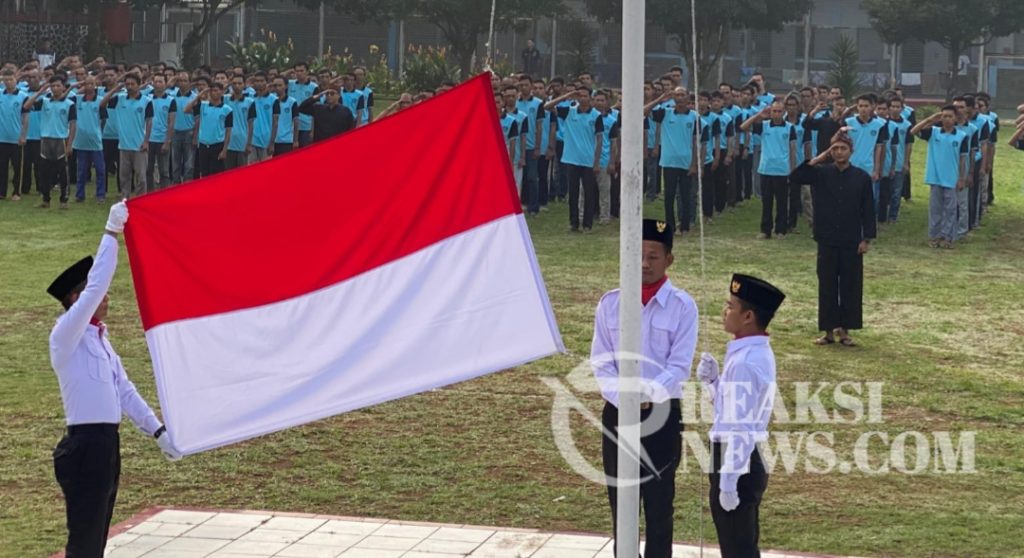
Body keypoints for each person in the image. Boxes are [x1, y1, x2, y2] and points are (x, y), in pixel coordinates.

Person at [48, 202, 181, 557]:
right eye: (97, 293)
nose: (106, 297)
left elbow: (125, 390)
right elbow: (96, 289)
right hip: (84, 445)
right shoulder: (65, 335)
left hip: (106, 444)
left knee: (97, 536)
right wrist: (110, 233)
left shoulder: (99, 339)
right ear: (76, 299)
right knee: (84, 539)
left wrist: (158, 432)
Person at [590, 219, 698, 558]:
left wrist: (646, 395)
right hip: (618, 414)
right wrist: (625, 397)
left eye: (653, 256)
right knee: (621, 503)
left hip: (661, 416)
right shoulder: (610, 303)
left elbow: (679, 367)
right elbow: (601, 363)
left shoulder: (683, 306)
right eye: (638, 255)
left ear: (669, 260)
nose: (644, 264)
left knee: (659, 504)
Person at [695, 274, 784, 558]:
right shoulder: (750, 351)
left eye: (730, 306)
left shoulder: (745, 361)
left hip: (736, 460)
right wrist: (714, 382)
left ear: (748, 316)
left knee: (738, 550)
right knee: (739, 547)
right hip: (740, 457)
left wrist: (728, 481)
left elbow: (741, 428)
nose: (725, 311)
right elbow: (732, 410)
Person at [791, 134, 876, 346]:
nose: (839, 152)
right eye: (835, 149)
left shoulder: (861, 177)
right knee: (827, 285)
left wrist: (866, 239)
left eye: (843, 149)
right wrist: (820, 158)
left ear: (851, 152)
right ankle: (828, 331)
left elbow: (868, 209)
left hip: (851, 239)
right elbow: (796, 176)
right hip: (827, 238)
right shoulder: (821, 173)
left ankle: (845, 331)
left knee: (850, 285)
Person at [545, 87, 603, 233]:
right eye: (580, 96)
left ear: (590, 98)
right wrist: (567, 95)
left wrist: (596, 162)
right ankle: (573, 223)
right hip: (571, 159)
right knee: (573, 193)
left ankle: (587, 224)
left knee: (589, 193)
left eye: (585, 96)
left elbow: (599, 139)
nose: (583, 99)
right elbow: (547, 106)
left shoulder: (596, 115)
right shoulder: (569, 111)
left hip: (588, 160)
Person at [911, 106, 969, 249]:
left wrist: (962, 178)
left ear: (955, 119)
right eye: (944, 116)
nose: (946, 119)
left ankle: (948, 237)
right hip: (935, 177)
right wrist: (929, 119)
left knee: (950, 210)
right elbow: (913, 131)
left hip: (952, 178)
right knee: (935, 209)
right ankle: (934, 236)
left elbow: (962, 159)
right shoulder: (933, 132)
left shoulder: (962, 136)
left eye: (950, 116)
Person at [740, 101, 797, 240]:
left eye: (779, 111)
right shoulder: (763, 126)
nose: (777, 114)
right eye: (774, 111)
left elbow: (792, 149)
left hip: (782, 169)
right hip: (766, 169)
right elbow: (743, 127)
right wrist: (758, 115)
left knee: (782, 202)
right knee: (767, 202)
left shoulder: (789, 128)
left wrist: (793, 169)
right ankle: (765, 230)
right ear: (770, 112)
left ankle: (781, 230)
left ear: (784, 112)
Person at [649, 88, 701, 235]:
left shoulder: (694, 116)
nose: (680, 98)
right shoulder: (665, 113)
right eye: (677, 95)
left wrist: (694, 164)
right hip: (669, 162)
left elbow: (696, 142)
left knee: (685, 195)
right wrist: (660, 99)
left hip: (686, 162)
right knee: (669, 196)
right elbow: (644, 111)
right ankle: (670, 226)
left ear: (688, 97)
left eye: (682, 95)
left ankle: (685, 226)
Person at [26, 76, 76, 208]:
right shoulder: (45, 101)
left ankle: (64, 200)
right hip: (45, 140)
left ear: (63, 87)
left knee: (63, 172)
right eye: (52, 86)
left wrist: (70, 144)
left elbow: (73, 125)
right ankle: (45, 199)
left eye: (58, 86)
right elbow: (27, 106)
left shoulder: (69, 104)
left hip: (61, 140)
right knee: (44, 171)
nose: (55, 88)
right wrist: (40, 92)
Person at [100, 74, 152, 197]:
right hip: (123, 145)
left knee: (141, 177)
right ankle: (125, 199)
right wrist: (115, 89)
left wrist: (146, 141)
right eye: (127, 84)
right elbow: (102, 104)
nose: (130, 86)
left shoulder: (146, 101)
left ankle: (140, 199)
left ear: (139, 85)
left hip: (139, 145)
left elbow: (149, 122)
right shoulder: (119, 99)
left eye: (132, 84)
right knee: (124, 176)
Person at [70, 75, 107, 202]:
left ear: (95, 85)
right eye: (87, 84)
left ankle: (100, 194)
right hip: (80, 141)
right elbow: (66, 95)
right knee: (81, 171)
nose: (89, 86)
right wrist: (76, 86)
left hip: (95, 141)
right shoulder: (78, 99)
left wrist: (97, 131)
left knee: (100, 169)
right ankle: (79, 195)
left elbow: (104, 120)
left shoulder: (100, 100)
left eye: (92, 84)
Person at [186, 83, 234, 178]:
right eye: (211, 91)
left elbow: (228, 131)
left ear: (222, 92)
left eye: (216, 90)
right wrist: (199, 96)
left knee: (216, 175)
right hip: (203, 146)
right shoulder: (203, 106)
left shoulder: (227, 110)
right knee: (204, 174)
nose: (213, 93)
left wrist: (224, 150)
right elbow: (186, 110)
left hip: (217, 145)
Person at [0, 69, 29, 200]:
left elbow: (25, 118)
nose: (8, 82)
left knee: (17, 167)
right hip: (2, 137)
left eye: (10, 79)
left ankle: (16, 192)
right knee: (2, 166)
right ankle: (2, 192)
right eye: (5, 80)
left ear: (16, 79)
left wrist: (23, 135)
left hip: (16, 138)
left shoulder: (23, 96)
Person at [146, 74, 176, 191]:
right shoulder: (147, 98)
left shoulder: (171, 100)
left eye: (160, 81)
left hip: (162, 139)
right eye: (156, 82)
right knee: (148, 170)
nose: (158, 84)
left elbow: (171, 122)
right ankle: (149, 193)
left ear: (165, 83)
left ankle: (165, 193)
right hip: (149, 139)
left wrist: (167, 141)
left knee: (164, 171)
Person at [224, 75, 256, 170]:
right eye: (234, 83)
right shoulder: (225, 99)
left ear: (244, 85)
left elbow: (251, 124)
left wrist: (249, 144)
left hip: (243, 143)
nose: (237, 86)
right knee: (228, 173)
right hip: (228, 143)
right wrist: (226, 85)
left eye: (239, 83)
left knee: (242, 172)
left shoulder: (250, 102)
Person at [249, 71, 279, 162]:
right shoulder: (249, 98)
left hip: (266, 140)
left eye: (262, 81)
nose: (259, 83)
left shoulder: (274, 100)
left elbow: (275, 123)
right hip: (252, 140)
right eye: (257, 81)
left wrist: (272, 143)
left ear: (267, 82)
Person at [287, 62, 318, 147]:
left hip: (306, 126)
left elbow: (316, 110)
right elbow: (276, 79)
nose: (299, 73)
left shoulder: (314, 87)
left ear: (307, 72)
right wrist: (288, 71)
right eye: (297, 71)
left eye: (301, 71)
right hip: (290, 126)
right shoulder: (289, 84)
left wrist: (313, 130)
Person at [271, 75, 299, 156]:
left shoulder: (292, 102)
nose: (277, 88)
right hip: (270, 140)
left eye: (280, 85)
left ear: (286, 86)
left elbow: (296, 122)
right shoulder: (270, 100)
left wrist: (295, 140)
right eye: (275, 85)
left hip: (286, 141)